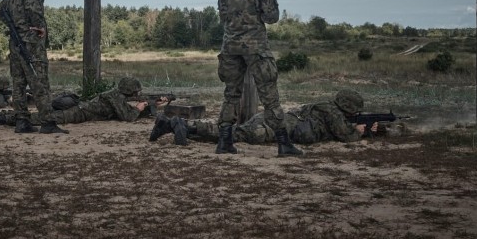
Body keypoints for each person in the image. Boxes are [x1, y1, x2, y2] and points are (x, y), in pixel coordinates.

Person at [214, 0, 301, 157]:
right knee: (270, 95)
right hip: (255, 46)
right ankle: (283, 144)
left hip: (230, 46)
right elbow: (272, 16)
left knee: (231, 94)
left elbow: (223, 15)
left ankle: (224, 141)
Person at [150, 90, 380, 147]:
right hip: (276, 127)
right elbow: (347, 136)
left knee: (235, 134)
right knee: (237, 135)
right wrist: (361, 131)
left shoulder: (326, 107)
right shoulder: (333, 113)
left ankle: (174, 125)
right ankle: (185, 126)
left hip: (274, 120)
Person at [0, 0, 66, 134]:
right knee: (40, 82)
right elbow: (35, 12)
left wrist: (17, 27)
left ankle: (22, 121)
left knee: (18, 83)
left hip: (15, 43)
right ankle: (48, 122)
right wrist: (39, 28)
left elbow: (0, 11)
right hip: (32, 44)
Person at [0, 77, 170, 127]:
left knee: (42, 117)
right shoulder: (115, 96)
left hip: (80, 109)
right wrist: (143, 108)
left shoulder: (117, 95)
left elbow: (126, 109)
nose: (137, 95)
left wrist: (153, 104)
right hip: (79, 112)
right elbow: (127, 116)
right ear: (128, 91)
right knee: (42, 119)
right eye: (135, 92)